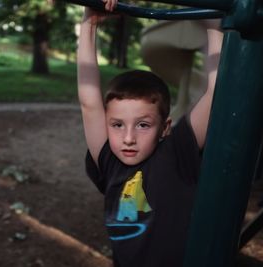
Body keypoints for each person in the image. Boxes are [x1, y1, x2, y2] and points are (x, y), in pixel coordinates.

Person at [77, 1, 224, 266]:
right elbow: (89, 102)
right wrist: (89, 22)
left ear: (165, 127)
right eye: (117, 124)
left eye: (143, 125)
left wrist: (214, 19)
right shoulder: (111, 161)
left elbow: (217, 92)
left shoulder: (177, 153)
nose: (128, 137)